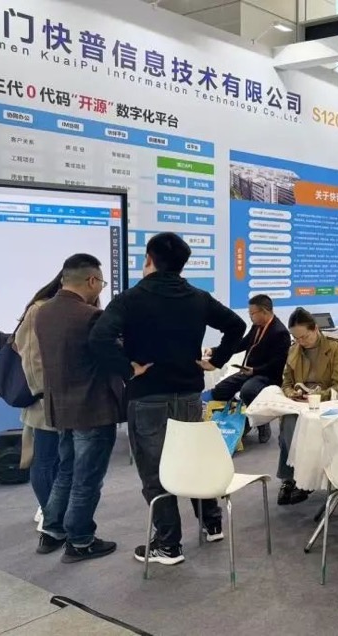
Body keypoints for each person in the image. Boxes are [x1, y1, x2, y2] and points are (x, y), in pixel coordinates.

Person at [89, 232, 246, 566]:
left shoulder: (130, 299)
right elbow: (236, 325)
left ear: (149, 259)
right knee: (193, 459)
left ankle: (169, 544)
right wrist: (218, 359)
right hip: (188, 393)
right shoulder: (198, 297)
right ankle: (212, 523)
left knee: (155, 472)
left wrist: (127, 368)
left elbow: (99, 337)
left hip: (148, 396)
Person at [33, 254, 124, 563]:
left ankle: (52, 530)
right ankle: (81, 540)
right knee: (87, 479)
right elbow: (113, 356)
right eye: (102, 283)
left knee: (66, 472)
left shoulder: (43, 312)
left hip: (62, 409)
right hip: (93, 409)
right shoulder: (91, 316)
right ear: (92, 280)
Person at [277, 308, 338, 506]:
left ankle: (303, 479)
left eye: (304, 337)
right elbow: (286, 382)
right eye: (296, 338)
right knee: (288, 421)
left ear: (315, 329)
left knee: (301, 423)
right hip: (301, 403)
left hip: (327, 403)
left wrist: (318, 396)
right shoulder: (294, 350)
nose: (301, 341)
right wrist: (291, 393)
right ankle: (292, 477)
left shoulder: (334, 348)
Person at [15, 271, 64, 531]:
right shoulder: (39, 310)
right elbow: (31, 357)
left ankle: (52, 508)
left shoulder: (76, 309)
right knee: (45, 459)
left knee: (60, 460)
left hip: (66, 398)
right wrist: (44, 393)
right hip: (44, 399)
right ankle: (49, 514)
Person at [209, 294, 291, 443]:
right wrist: (216, 351)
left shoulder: (280, 332)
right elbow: (241, 344)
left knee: (248, 391)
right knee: (220, 390)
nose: (250, 316)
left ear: (264, 312)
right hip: (248, 372)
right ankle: (243, 419)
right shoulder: (256, 327)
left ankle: (262, 422)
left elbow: (277, 364)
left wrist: (255, 370)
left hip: (267, 375)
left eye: (252, 313)